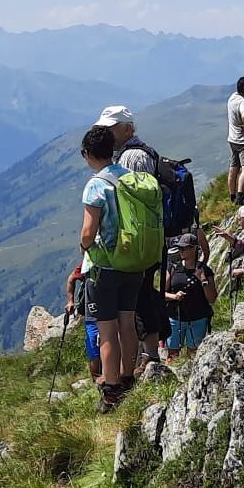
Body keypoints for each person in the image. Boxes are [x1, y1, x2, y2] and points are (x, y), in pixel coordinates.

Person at [93, 104, 168, 367]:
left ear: (127, 128)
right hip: (147, 239)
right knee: (143, 293)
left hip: (137, 241)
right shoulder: (138, 153)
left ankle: (144, 356)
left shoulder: (130, 159)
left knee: (138, 297)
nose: (108, 135)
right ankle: (147, 353)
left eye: (111, 129)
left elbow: (137, 202)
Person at [78, 125, 144, 413]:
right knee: (127, 323)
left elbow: (87, 233)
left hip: (105, 266)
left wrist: (85, 247)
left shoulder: (96, 184)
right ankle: (129, 379)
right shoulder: (130, 178)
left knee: (107, 330)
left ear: (88, 154)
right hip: (134, 262)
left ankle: (111, 391)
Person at [163, 234, 216, 359]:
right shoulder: (173, 268)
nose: (181, 251)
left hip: (198, 318)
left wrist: (202, 279)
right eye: (180, 248)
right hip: (175, 318)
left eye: (184, 248)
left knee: (194, 354)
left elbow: (212, 298)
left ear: (194, 249)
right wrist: (174, 296)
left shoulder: (204, 270)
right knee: (172, 354)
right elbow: (161, 294)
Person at [65, 262, 100, 385]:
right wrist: (70, 301)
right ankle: (98, 381)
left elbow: (71, 279)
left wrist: (71, 301)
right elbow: (72, 278)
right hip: (91, 311)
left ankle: (104, 378)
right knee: (94, 345)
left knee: (95, 345)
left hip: (96, 311)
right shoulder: (88, 262)